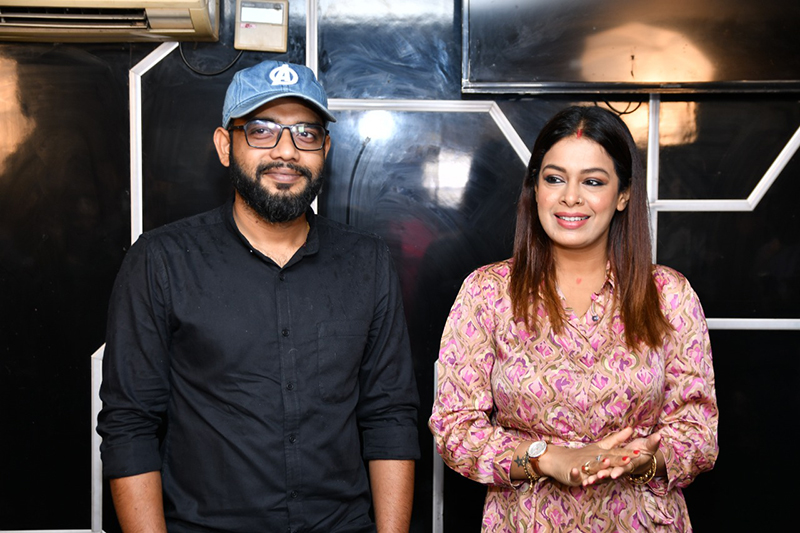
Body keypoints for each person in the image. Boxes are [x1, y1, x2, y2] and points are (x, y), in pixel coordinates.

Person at [97, 60, 419, 533]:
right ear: (225, 145)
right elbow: (130, 425)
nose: (287, 151)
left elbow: (389, 417)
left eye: (306, 133)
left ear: (325, 149)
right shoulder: (161, 261)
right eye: (262, 130)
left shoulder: (366, 262)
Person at [429, 106, 718, 532]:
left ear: (623, 195)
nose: (570, 197)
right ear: (535, 189)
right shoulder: (487, 292)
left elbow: (699, 432)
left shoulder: (668, 295)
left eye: (593, 181)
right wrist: (546, 458)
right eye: (555, 178)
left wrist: (639, 460)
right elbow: (454, 428)